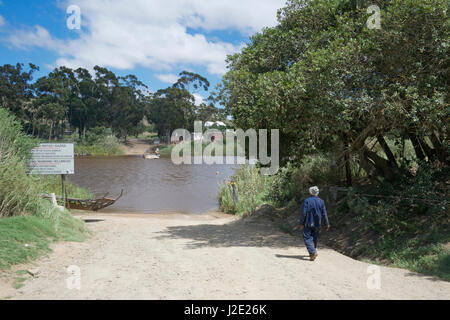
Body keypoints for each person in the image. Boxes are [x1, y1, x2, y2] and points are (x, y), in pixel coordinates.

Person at [297, 186, 330, 261]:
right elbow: (324, 213)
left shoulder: (307, 201)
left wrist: (301, 223)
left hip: (308, 222)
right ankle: (312, 253)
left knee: (307, 237)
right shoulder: (321, 201)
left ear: (310, 192)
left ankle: (312, 252)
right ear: (318, 192)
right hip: (317, 223)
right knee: (314, 238)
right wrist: (327, 224)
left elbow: (303, 213)